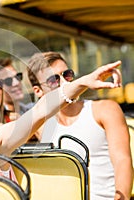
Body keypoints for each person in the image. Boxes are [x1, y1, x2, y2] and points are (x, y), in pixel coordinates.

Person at [27, 51, 133, 200]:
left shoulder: (104, 110)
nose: (65, 82)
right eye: (54, 80)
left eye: (68, 74)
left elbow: (122, 161)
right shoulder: (39, 125)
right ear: (38, 91)